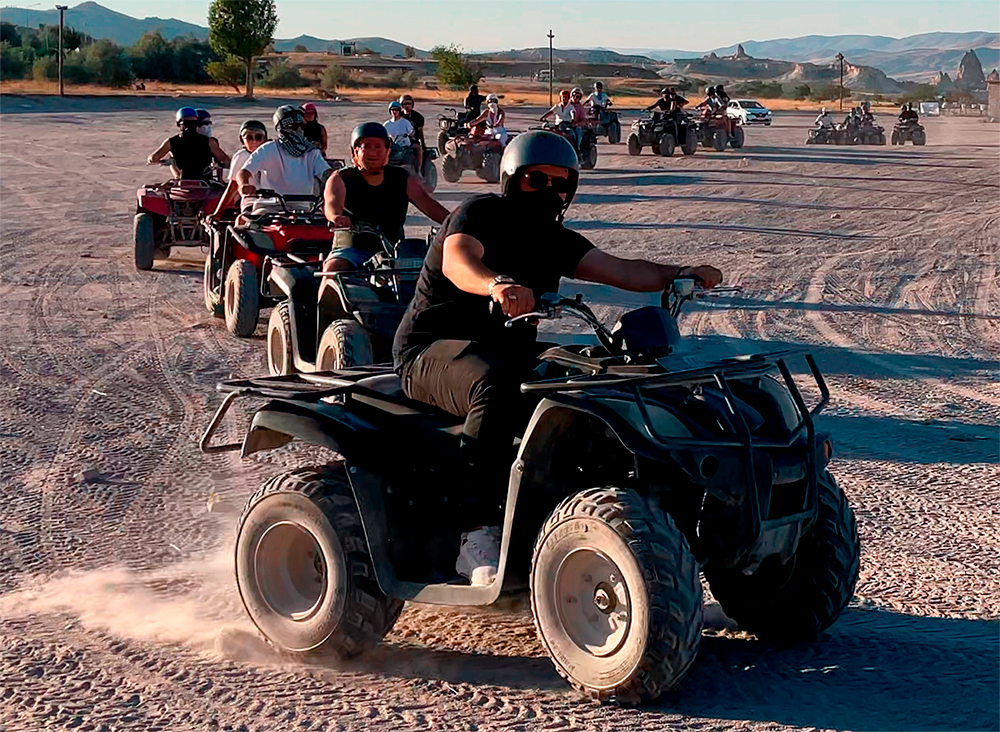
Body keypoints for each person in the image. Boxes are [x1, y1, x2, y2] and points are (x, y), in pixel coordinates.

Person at [392, 130, 723, 584]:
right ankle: (476, 531)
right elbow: (458, 260)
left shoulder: (554, 239)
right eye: (537, 180)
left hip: (506, 350)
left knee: (593, 373)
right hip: (431, 348)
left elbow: (624, 271)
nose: (549, 190)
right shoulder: (479, 214)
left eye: (560, 183)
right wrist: (496, 285)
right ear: (513, 180)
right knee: (494, 385)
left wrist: (681, 273)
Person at [322, 122, 449, 276]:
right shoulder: (341, 178)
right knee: (333, 269)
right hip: (351, 249)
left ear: (388, 151)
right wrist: (336, 217)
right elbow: (332, 203)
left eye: (378, 147)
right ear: (355, 151)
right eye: (367, 147)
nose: (373, 152)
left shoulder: (401, 177)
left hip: (393, 252)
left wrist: (455, 222)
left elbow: (428, 205)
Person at [235, 105, 331, 220]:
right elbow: (244, 171)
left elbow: (326, 173)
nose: (299, 130)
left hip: (304, 209)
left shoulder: (311, 152)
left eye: (301, 126)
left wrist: (337, 179)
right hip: (270, 207)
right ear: (281, 128)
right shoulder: (268, 149)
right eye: (294, 127)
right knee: (247, 223)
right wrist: (244, 184)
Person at [206, 120, 268, 221]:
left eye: (258, 137)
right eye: (249, 138)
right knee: (244, 221)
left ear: (265, 139)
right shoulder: (241, 156)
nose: (254, 141)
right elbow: (233, 186)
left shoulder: (271, 153)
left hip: (275, 201)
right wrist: (218, 213)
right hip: (252, 202)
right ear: (242, 140)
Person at [146, 106, 229, 181]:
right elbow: (226, 161)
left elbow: (154, 158)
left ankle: (177, 177)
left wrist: (160, 160)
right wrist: (217, 165)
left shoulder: (171, 142)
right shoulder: (209, 141)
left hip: (184, 182)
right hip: (205, 182)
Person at [399, 94, 425, 171]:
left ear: (412, 104)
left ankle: (418, 169)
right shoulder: (399, 115)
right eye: (405, 104)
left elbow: (420, 132)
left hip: (412, 140)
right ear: (402, 105)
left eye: (409, 104)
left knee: (418, 148)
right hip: (398, 140)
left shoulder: (418, 117)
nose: (407, 106)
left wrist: (423, 144)